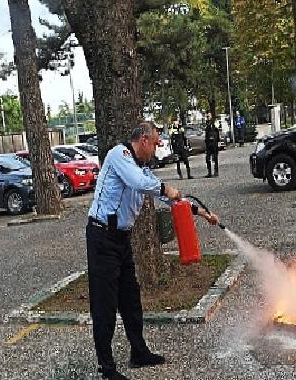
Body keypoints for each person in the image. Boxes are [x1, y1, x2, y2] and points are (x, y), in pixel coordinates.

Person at [86, 121, 219, 380]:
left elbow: (171, 198)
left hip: (121, 239)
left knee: (131, 299)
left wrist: (204, 213)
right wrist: (165, 187)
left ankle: (139, 352)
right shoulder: (119, 155)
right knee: (105, 303)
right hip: (102, 237)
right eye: (156, 143)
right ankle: (106, 368)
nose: (157, 148)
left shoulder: (142, 169)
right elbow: (140, 184)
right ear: (143, 140)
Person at [204, 112, 220, 178]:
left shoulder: (214, 123)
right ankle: (209, 172)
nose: (208, 117)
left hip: (214, 143)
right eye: (207, 116)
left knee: (215, 158)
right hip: (208, 144)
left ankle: (216, 172)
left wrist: (218, 141)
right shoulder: (206, 124)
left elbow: (217, 132)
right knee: (207, 159)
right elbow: (206, 134)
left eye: (209, 116)